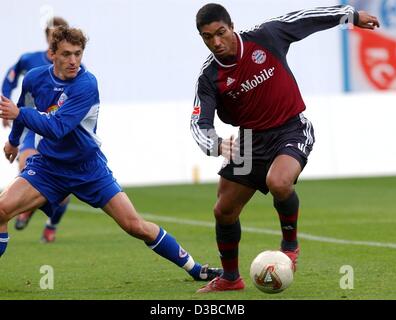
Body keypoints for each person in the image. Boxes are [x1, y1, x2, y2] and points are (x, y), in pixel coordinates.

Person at [0, 26, 222, 283]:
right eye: (66, 54)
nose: (74, 61)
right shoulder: (35, 78)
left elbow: (57, 127)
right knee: (2, 210)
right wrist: (14, 141)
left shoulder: (86, 84)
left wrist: (18, 115)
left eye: (78, 53)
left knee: (134, 226)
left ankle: (195, 268)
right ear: (52, 54)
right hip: (49, 167)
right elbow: (22, 108)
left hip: (88, 169)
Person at [191, 3, 380, 292]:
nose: (216, 42)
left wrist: (350, 15)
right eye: (207, 37)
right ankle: (230, 278)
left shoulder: (266, 37)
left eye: (221, 33)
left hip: (291, 128)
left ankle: (290, 245)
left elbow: (306, 19)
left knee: (278, 182)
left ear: (231, 26)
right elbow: (198, 123)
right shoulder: (209, 76)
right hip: (250, 140)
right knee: (223, 210)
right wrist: (216, 145)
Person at [1, 17, 69, 242]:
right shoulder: (30, 61)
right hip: (32, 126)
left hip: (57, 130)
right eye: (54, 35)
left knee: (64, 194)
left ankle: (50, 226)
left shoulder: (73, 68)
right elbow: (10, 79)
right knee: (27, 167)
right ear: (48, 38)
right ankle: (26, 206)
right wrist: (5, 104)